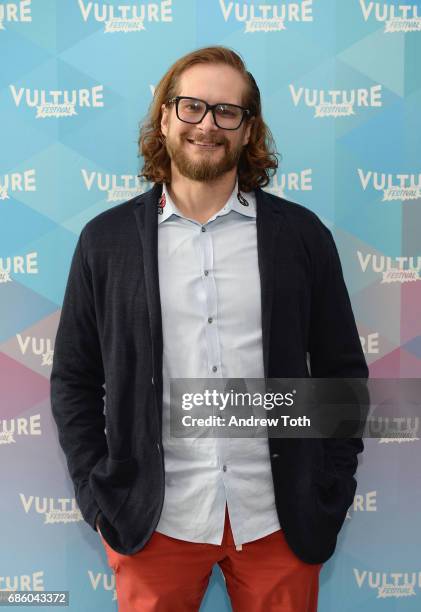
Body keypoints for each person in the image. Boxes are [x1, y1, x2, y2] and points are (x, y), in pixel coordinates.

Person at [50, 46, 368, 611]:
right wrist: (98, 497)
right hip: (154, 523)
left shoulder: (302, 237)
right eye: (192, 107)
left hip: (279, 521)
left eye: (228, 112)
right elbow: (75, 379)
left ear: (249, 131)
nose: (207, 125)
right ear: (166, 116)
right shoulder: (106, 242)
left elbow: (342, 372)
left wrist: (331, 488)